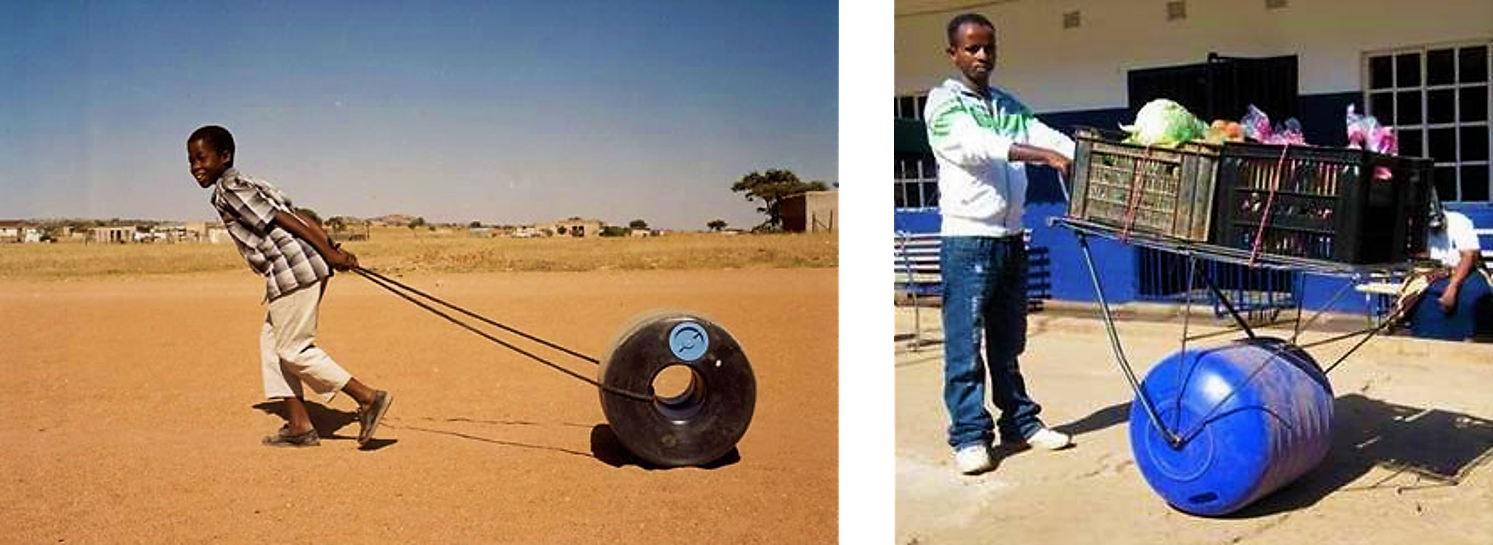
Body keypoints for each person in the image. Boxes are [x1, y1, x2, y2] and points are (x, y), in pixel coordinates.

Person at [925, 13, 1076, 475]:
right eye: (971, 48)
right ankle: (970, 436)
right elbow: (975, 146)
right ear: (953, 53)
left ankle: (1020, 422)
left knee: (1008, 342)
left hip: (1011, 239)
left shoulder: (1009, 105)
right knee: (965, 346)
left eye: (988, 47)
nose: (982, 56)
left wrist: (1077, 151)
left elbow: (1047, 137)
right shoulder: (942, 103)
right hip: (968, 240)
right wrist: (1042, 156)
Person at [188, 125, 394, 447]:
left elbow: (285, 220)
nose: (195, 167)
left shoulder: (229, 191)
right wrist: (331, 249)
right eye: (191, 161)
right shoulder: (251, 183)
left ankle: (367, 398)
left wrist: (328, 250)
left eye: (201, 158)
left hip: (292, 270)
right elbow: (299, 214)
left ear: (224, 156)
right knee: (271, 344)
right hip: (302, 267)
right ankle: (299, 425)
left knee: (292, 349)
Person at [1405, 197, 1493, 341]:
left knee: (1473, 297)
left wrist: (1452, 287)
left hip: (1466, 270)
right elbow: (1419, 256)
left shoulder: (1459, 221)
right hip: (1434, 270)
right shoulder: (1416, 226)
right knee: (1417, 299)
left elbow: (1469, 256)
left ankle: (1470, 339)